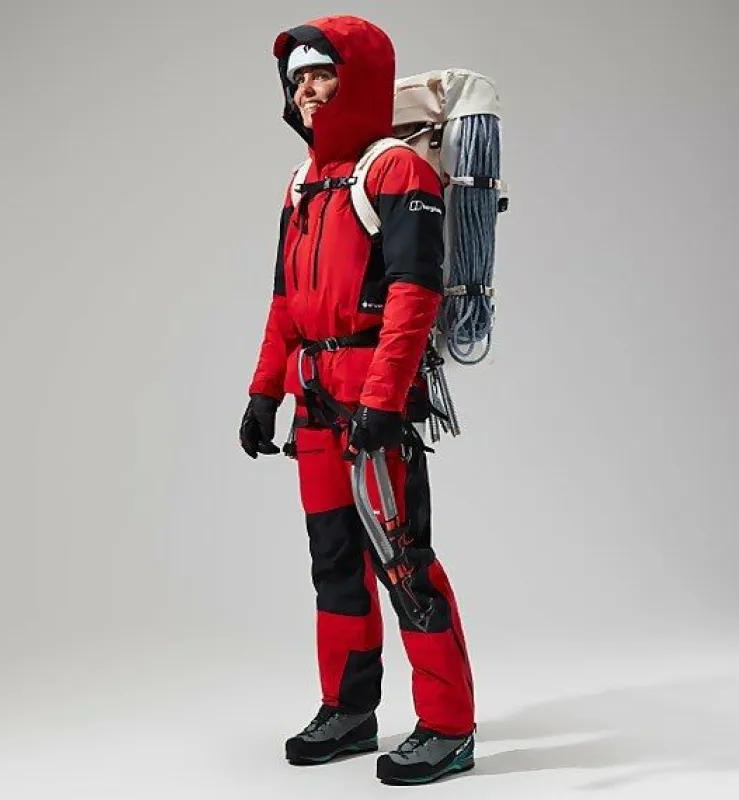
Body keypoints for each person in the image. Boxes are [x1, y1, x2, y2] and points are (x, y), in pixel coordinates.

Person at [239, 15, 475, 786]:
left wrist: (384, 399)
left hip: (375, 401)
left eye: (322, 74)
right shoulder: (302, 183)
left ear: (359, 79)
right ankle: (349, 710)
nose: (307, 91)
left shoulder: (397, 171)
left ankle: (448, 726)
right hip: (313, 403)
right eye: (298, 80)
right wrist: (263, 391)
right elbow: (285, 301)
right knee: (334, 560)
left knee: (402, 562)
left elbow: (414, 294)